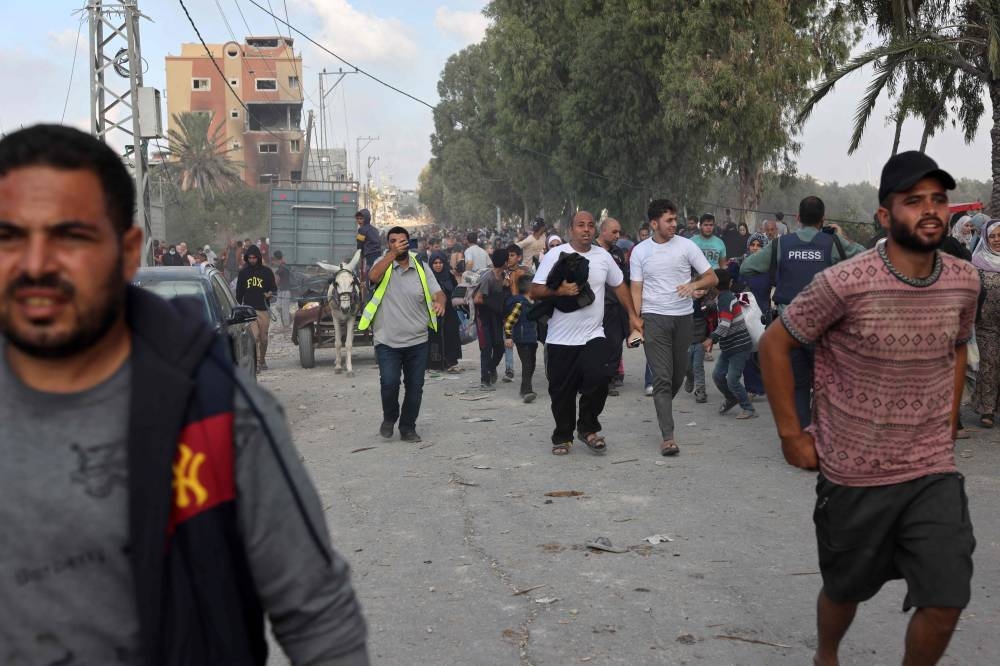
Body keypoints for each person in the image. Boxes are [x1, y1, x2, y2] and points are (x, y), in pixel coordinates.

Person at [0, 124, 368, 664]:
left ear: (128, 253)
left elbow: (318, 615)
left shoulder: (216, 410)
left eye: (71, 236)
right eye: (9, 236)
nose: (36, 264)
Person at [759, 151, 979, 666]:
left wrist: (946, 426)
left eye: (938, 200)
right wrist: (792, 436)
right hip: (854, 473)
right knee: (845, 589)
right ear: (884, 215)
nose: (929, 210)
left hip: (930, 469)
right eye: (912, 201)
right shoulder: (844, 282)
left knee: (947, 596)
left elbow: (957, 346)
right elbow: (774, 345)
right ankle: (826, 655)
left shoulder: (964, 280)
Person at [741, 196, 865, 428]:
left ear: (797, 218)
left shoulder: (781, 244)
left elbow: (748, 266)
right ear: (823, 219)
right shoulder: (833, 243)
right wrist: (839, 236)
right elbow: (866, 255)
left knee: (798, 385)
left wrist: (778, 269)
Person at [530, 211, 643, 456]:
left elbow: (619, 285)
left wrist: (633, 316)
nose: (586, 230)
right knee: (562, 392)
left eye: (590, 225)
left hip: (593, 334)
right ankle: (562, 436)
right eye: (580, 225)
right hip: (560, 338)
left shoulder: (603, 257)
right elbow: (535, 291)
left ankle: (588, 428)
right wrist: (559, 290)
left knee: (601, 376)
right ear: (571, 229)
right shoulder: (554, 255)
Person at [630, 199, 718, 456]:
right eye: (668, 220)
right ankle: (668, 436)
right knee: (662, 377)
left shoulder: (687, 246)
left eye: (674, 219)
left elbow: (711, 277)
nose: (674, 224)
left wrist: (693, 286)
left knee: (677, 376)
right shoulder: (640, 252)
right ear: (654, 223)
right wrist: (636, 321)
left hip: (683, 318)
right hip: (654, 317)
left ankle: (670, 393)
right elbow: (636, 288)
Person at [359, 226, 446, 442]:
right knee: (389, 383)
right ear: (388, 245)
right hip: (387, 341)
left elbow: (439, 293)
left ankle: (408, 427)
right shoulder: (383, 265)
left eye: (402, 240)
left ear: (409, 242)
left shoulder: (421, 268)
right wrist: (391, 255)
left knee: (415, 388)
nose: (398, 243)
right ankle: (390, 417)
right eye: (393, 241)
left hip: (417, 340)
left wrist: (440, 303)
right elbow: (373, 276)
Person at [706, 269, 756, 419]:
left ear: (713, 285)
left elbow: (725, 325)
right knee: (717, 376)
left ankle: (748, 408)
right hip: (729, 346)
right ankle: (732, 398)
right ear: (730, 283)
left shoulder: (725, 299)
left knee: (732, 379)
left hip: (739, 346)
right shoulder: (723, 297)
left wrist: (711, 338)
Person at [971, 218, 1000, 428]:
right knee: (989, 365)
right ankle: (987, 410)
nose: (997, 240)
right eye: (992, 236)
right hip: (986, 324)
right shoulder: (977, 261)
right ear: (985, 238)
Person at [597, 217, 630, 395]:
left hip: (615, 307)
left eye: (619, 232)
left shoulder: (618, 252)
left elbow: (625, 279)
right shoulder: (591, 251)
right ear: (602, 231)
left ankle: (609, 379)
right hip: (594, 307)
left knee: (615, 343)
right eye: (614, 232)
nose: (618, 235)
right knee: (595, 345)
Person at [236, 244, 277, 371]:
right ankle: (257, 363)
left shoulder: (267, 272)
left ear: (258, 258)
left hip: (263, 309)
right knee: (255, 337)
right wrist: (238, 308)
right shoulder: (243, 273)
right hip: (249, 310)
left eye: (254, 258)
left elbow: (274, 288)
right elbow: (239, 292)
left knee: (264, 338)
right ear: (247, 258)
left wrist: (269, 294)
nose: (252, 260)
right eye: (250, 258)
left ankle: (262, 359)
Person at [474, 248, 508, 390]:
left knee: (500, 348)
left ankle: (490, 369)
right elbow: (477, 299)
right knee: (486, 349)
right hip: (485, 319)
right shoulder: (488, 278)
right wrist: (494, 303)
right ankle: (484, 380)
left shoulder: (504, 276)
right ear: (505, 262)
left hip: (496, 319)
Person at [504, 273, 539, 403]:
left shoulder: (534, 302)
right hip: (522, 339)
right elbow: (509, 322)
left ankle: (524, 388)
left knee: (532, 363)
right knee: (527, 364)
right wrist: (508, 337)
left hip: (532, 339)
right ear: (529, 286)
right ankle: (527, 391)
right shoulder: (519, 303)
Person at [429, 251, 463, 372]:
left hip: (450, 313)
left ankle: (451, 362)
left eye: (440, 262)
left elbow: (456, 291)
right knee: (434, 338)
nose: (438, 265)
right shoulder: (428, 278)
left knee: (451, 336)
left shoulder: (449, 276)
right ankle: (435, 364)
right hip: (434, 313)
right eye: (435, 263)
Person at [355, 208, 381, 274]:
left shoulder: (361, 230)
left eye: (361, 219)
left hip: (369, 256)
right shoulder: (375, 229)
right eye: (357, 219)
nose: (359, 221)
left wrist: (360, 257)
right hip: (379, 254)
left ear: (366, 219)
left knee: (369, 274)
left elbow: (359, 246)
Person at [273, 249, 292, 329]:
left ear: (276, 259)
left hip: (286, 291)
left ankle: (286, 327)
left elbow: (277, 280)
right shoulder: (282, 266)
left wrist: (273, 288)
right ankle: (290, 317)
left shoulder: (282, 267)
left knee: (284, 309)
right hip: (281, 290)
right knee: (278, 307)